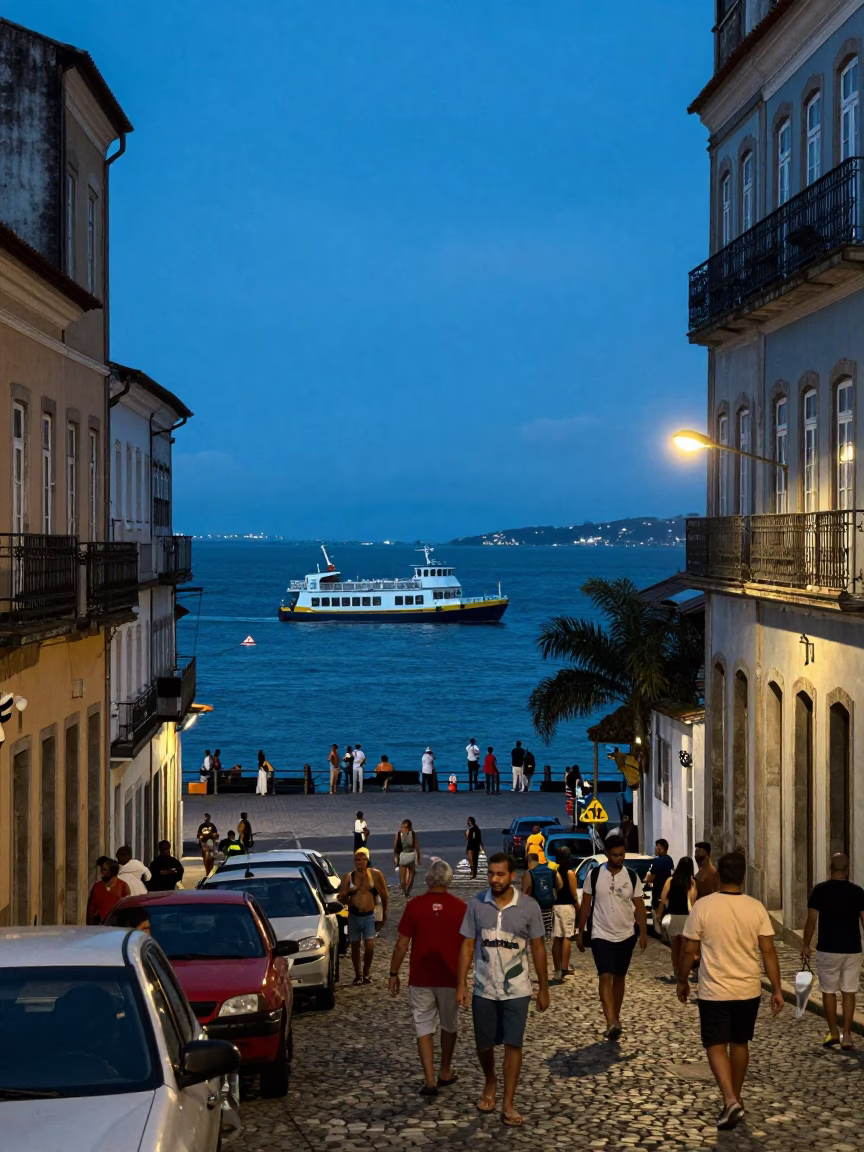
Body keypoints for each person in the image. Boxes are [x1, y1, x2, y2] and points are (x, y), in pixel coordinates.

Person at [677, 852, 784, 1131]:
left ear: (720, 876)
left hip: (715, 989)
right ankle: (734, 1100)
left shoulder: (703, 906)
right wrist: (777, 989)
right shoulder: (756, 907)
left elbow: (689, 949)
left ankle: (729, 1100)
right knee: (739, 1043)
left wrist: (682, 981)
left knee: (714, 1044)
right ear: (744, 878)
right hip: (747, 988)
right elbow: (769, 951)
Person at [457, 853, 550, 1126]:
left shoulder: (529, 907)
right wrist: (461, 983)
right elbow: (466, 945)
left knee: (513, 1043)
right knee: (484, 1044)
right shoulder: (476, 904)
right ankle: (490, 1080)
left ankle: (508, 1102)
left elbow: (538, 948)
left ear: (512, 876)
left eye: (500, 874)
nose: (494, 879)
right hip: (484, 989)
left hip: (517, 990)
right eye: (491, 874)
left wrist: (543, 986)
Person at [389, 859, 466, 1095]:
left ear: (428, 880)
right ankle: (445, 1069)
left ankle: (430, 1079)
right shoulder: (461, 908)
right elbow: (468, 946)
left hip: (421, 977)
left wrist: (393, 972)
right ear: (449, 880)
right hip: (450, 976)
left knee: (423, 1026)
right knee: (449, 1025)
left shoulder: (415, 906)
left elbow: (402, 944)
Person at [576, 834, 648, 1041]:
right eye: (615, 855)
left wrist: (643, 933)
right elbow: (586, 906)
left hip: (626, 934)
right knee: (605, 975)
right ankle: (611, 1020)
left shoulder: (632, 877)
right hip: (601, 933)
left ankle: (616, 1017)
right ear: (607, 854)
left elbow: (640, 907)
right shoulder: (595, 875)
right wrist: (580, 932)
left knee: (619, 977)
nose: (619, 858)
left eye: (622, 855)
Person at [802, 852, 864, 1050]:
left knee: (828, 991)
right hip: (852, 949)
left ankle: (833, 1032)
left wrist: (806, 945)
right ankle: (847, 1035)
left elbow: (811, 920)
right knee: (849, 991)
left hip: (828, 948)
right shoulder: (857, 891)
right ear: (847, 870)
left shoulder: (820, 890)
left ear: (830, 868)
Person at [338, 849, 389, 984]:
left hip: (369, 916)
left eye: (363, 859)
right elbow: (341, 897)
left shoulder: (375, 875)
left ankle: (366, 972)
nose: (360, 862)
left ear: (368, 860)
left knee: (370, 946)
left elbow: (384, 895)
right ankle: (358, 975)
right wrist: (350, 893)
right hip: (354, 915)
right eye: (357, 860)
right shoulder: (349, 876)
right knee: (355, 945)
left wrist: (384, 914)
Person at [657, 856, 698, 981]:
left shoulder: (670, 880)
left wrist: (659, 914)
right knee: (685, 946)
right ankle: (682, 969)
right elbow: (693, 901)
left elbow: (663, 899)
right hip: (686, 917)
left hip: (673, 916)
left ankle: (676, 968)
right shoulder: (691, 882)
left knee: (675, 946)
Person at [551, 846, 579, 983]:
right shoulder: (570, 873)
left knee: (557, 938)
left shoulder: (556, 872)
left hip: (556, 906)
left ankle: (557, 970)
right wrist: (578, 907)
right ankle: (565, 968)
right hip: (567, 907)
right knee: (567, 937)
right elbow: (574, 894)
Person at [521, 851, 559, 939]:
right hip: (549, 904)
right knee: (547, 931)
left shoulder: (530, 873)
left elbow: (524, 892)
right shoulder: (550, 871)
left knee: (536, 935)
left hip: (535, 905)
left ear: (529, 861)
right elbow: (558, 884)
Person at [86, 859, 130, 924]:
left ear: (112, 871)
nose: (101, 871)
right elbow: (91, 908)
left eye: (104, 869)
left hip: (117, 925)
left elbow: (127, 909)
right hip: (99, 925)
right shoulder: (97, 886)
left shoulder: (123, 885)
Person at [645, 839, 675, 924]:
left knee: (657, 913)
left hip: (658, 890)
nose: (655, 850)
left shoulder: (657, 861)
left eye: (657, 848)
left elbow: (651, 877)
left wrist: (646, 879)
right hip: (668, 890)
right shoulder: (669, 859)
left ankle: (658, 932)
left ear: (660, 848)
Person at [394, 819, 421, 897]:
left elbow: (416, 846)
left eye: (405, 827)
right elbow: (395, 847)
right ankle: (406, 892)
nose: (403, 828)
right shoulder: (399, 834)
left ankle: (407, 892)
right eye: (403, 826)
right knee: (404, 879)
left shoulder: (412, 834)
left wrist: (419, 856)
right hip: (405, 856)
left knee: (411, 874)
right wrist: (395, 857)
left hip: (409, 855)